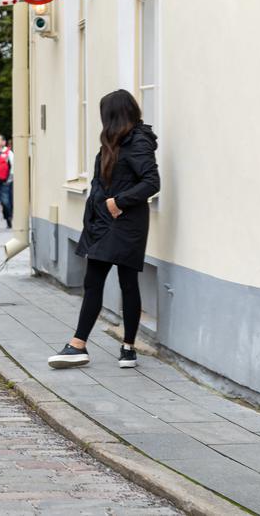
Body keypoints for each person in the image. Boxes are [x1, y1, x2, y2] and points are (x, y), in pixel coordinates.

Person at [48, 90, 160, 370]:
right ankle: (78, 345)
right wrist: (97, 211)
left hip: (127, 222)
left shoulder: (139, 142)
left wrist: (118, 202)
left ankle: (128, 347)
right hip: (103, 222)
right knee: (93, 282)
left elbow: (152, 182)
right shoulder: (111, 143)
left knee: (127, 283)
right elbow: (100, 182)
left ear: (113, 114)